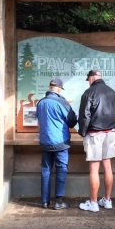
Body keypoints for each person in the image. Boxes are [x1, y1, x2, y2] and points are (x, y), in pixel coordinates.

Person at [78, 69, 115, 212]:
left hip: (94, 133)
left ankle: (93, 203)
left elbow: (84, 116)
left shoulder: (88, 93)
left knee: (94, 169)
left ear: (91, 78)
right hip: (110, 133)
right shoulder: (113, 93)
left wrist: (82, 132)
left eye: (88, 79)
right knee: (107, 167)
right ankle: (107, 200)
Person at [36, 78, 77, 210]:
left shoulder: (40, 103)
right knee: (61, 169)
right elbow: (72, 122)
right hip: (60, 142)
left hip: (45, 141)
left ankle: (45, 201)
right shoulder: (62, 102)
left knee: (46, 170)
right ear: (59, 89)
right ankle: (58, 201)